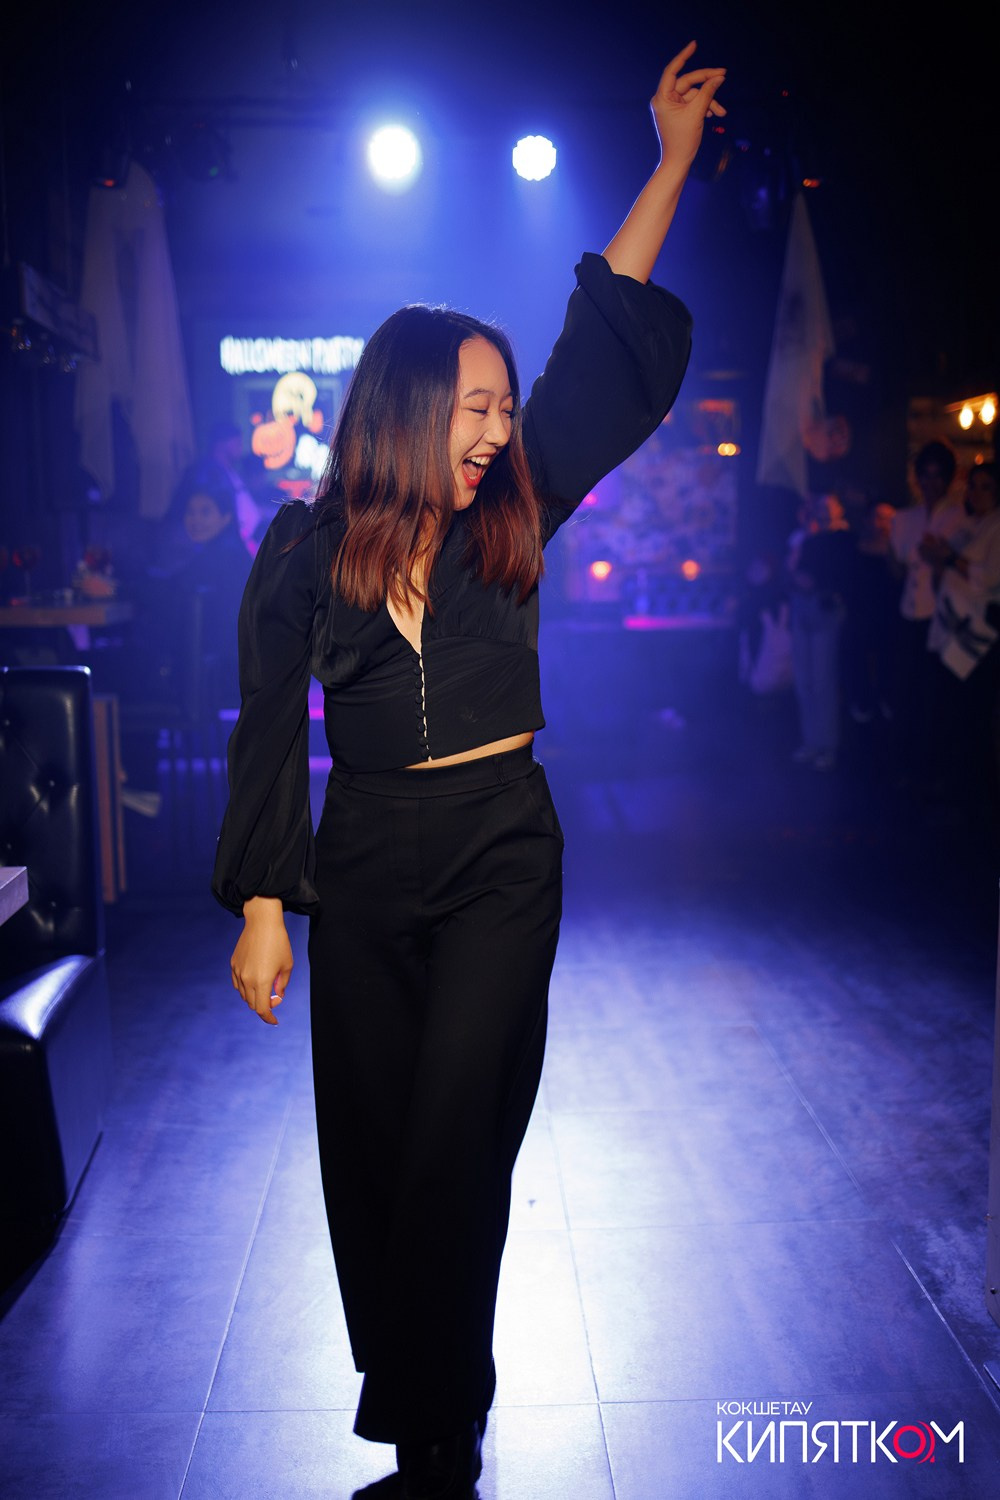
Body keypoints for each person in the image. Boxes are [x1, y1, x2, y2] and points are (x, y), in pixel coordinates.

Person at [212, 43, 726, 1500]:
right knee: (374, 1144)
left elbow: (602, 335)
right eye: (476, 405)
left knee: (455, 1131)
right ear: (404, 406)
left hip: (503, 846)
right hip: (367, 857)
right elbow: (267, 726)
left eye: (506, 406)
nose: (501, 429)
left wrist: (671, 164)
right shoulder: (303, 552)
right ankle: (425, 1402)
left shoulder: (519, 509)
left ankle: (438, 1428)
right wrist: (266, 905)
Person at [923, 461, 1000, 835]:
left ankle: (973, 803)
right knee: (955, 718)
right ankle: (958, 794)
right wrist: (940, 558)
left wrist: (950, 559)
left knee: (972, 722)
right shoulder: (970, 526)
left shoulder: (997, 526)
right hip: (953, 632)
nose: (977, 493)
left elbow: (990, 578)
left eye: (986, 486)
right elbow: (943, 564)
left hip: (978, 641)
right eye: (973, 486)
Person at [887, 438, 962, 786]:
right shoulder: (905, 518)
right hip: (909, 615)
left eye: (937, 476)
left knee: (935, 697)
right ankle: (907, 767)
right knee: (908, 692)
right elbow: (899, 569)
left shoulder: (959, 517)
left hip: (941, 617)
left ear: (947, 478)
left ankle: (933, 772)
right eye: (925, 475)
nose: (931, 483)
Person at [788, 493, 854, 771]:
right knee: (804, 679)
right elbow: (791, 571)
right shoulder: (804, 537)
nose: (822, 509)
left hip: (825, 609)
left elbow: (840, 575)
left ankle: (828, 745)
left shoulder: (844, 538)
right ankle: (811, 741)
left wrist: (818, 585)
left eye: (829, 505)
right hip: (801, 607)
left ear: (840, 509)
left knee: (822, 680)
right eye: (818, 505)